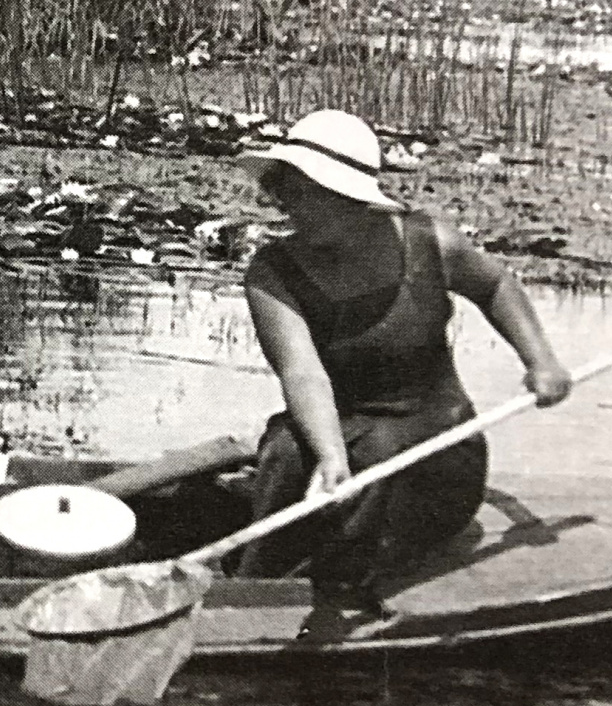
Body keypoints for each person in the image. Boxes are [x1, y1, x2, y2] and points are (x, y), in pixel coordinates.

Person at [233, 109, 575, 621]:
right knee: (284, 452)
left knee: (378, 456)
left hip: (438, 442)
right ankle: (254, 588)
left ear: (349, 199)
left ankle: (337, 592)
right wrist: (329, 458)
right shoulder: (272, 275)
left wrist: (541, 361)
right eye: (287, 187)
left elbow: (496, 285)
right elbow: (303, 372)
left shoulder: (429, 242)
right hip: (342, 425)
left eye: (306, 190)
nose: (288, 203)